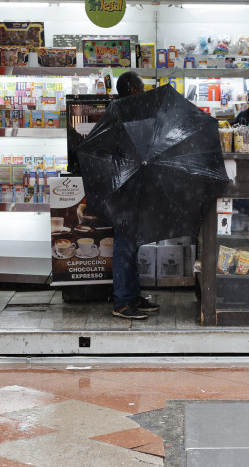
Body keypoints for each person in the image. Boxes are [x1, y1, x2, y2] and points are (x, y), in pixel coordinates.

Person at [110, 71, 160, 320]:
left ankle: (132, 295)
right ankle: (122, 301)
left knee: (132, 244)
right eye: (141, 88)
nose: (144, 91)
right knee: (124, 245)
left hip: (133, 186)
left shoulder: (128, 113)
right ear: (132, 90)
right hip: (125, 188)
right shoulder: (122, 114)